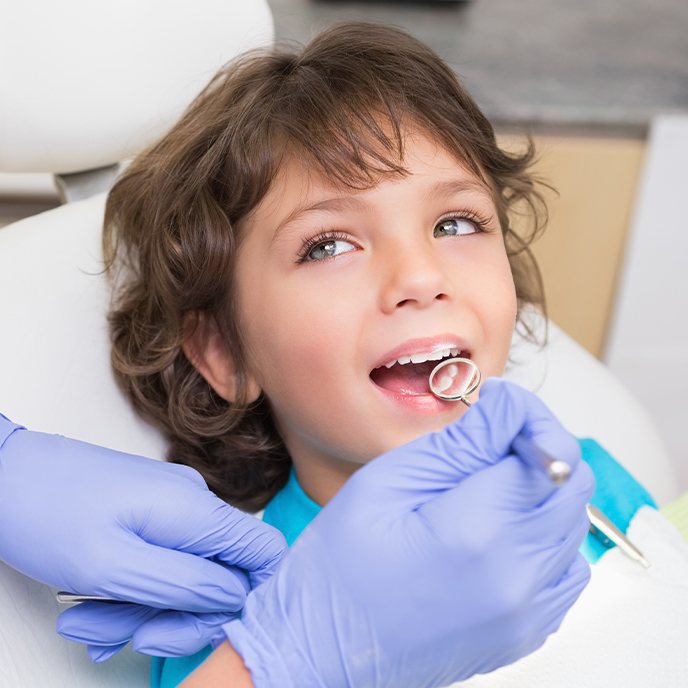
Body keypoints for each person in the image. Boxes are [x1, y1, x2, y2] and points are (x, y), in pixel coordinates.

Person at [0, 19, 615, 688]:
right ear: (225, 353)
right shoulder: (238, 632)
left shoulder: (585, 484)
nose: (420, 277)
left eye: (455, 223)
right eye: (327, 245)